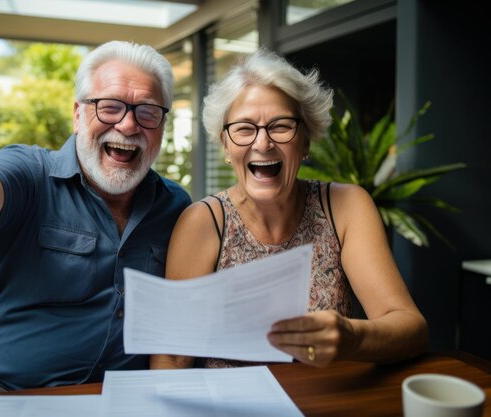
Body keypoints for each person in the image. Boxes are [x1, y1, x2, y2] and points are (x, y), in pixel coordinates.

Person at [0, 0, 191, 397]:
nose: (128, 124)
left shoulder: (176, 207)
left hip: (115, 400)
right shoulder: (28, 175)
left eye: (148, 112)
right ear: (77, 114)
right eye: (110, 106)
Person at [150, 47, 428, 370]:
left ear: (306, 140)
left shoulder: (347, 207)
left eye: (281, 126)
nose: (263, 143)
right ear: (225, 146)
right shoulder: (202, 223)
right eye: (243, 128)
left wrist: (351, 336)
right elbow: (170, 360)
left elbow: (412, 329)